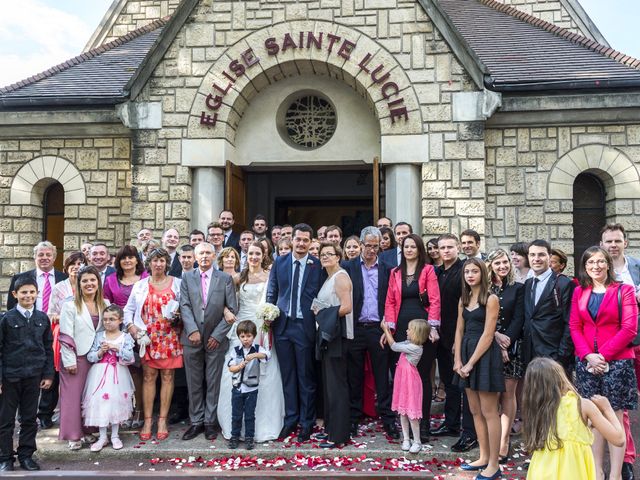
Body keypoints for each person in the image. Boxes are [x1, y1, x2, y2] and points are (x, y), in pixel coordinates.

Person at [569, 246, 638, 480]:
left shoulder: (624, 291)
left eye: (600, 262)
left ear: (608, 264)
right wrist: (588, 355)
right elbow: (574, 327)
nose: (595, 266)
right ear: (585, 267)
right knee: (592, 420)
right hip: (587, 364)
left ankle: (616, 474)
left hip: (617, 364)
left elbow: (629, 329)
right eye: (590, 263)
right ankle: (597, 471)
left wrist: (603, 356)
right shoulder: (580, 292)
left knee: (615, 418)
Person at [219, 241, 284, 442]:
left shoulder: (270, 276)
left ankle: (263, 424)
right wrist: (227, 311)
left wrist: (270, 317)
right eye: (250, 253)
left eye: (258, 253)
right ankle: (236, 425)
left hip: (262, 329)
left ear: (264, 255)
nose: (254, 256)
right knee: (237, 371)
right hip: (242, 328)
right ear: (246, 255)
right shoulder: (239, 277)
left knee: (264, 373)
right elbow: (222, 299)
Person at [523, 357, 625, 480]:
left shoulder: (536, 409)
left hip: (541, 471)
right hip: (573, 471)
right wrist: (607, 409)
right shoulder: (582, 405)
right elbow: (619, 440)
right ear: (561, 378)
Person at [266, 223, 322, 443]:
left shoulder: (316, 265)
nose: (301, 243)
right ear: (292, 240)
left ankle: (307, 423)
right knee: (288, 376)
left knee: (305, 377)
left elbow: (321, 295)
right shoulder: (279, 262)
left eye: (305, 240)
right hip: (282, 327)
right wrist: (268, 312)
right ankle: (290, 420)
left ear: (310, 242)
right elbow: (272, 290)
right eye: (298, 239)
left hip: (304, 327)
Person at [179, 242, 238, 441]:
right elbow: (184, 305)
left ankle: (209, 422)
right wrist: (192, 330)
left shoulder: (225, 278)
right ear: (195, 257)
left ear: (214, 256)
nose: (204, 256)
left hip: (216, 339)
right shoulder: (187, 277)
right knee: (193, 381)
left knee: (213, 382)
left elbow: (232, 309)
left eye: (208, 253)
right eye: (201, 253)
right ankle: (196, 421)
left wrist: (217, 335)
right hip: (192, 338)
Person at [344, 227, 398, 439]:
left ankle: (388, 420)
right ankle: (353, 419)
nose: (372, 250)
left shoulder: (388, 268)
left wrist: (389, 326)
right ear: (361, 245)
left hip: (379, 329)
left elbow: (393, 299)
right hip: (356, 328)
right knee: (354, 376)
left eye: (376, 246)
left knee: (382, 377)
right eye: (368, 246)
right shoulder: (347, 267)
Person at [385, 233, 440, 440]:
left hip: (422, 329)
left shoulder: (428, 270)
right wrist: (389, 329)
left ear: (419, 250)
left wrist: (433, 327)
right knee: (403, 377)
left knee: (423, 377)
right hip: (401, 328)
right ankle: (407, 424)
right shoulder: (395, 272)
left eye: (413, 247)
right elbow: (390, 301)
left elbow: (435, 300)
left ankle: (423, 423)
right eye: (406, 246)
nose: (409, 250)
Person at [123, 248, 182, 442]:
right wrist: (133, 330)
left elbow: (185, 309)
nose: (158, 264)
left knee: (167, 376)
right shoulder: (140, 285)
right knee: (148, 377)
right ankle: (148, 421)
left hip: (169, 336)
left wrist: (178, 317)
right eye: (155, 260)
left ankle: (162, 420)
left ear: (167, 263)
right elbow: (128, 311)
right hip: (147, 337)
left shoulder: (177, 284)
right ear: (149, 263)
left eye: (162, 261)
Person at [454, 258, 504, 480]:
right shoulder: (463, 299)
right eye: (467, 272)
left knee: (489, 411)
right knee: (474, 410)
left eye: (475, 271)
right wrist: (457, 360)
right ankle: (483, 457)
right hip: (465, 354)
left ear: (483, 274)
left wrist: (471, 363)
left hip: (484, 357)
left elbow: (488, 334)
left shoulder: (491, 299)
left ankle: (494, 464)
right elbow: (459, 331)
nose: (470, 275)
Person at [0, 276, 54, 472]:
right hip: (10, 377)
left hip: (34, 376)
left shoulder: (42, 318)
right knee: (6, 420)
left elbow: (48, 348)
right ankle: (5, 457)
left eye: (32, 292)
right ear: (15, 295)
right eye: (24, 292)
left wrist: (48, 375)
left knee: (29, 419)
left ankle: (26, 455)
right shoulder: (6, 319)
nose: (28, 295)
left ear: (37, 293)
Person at [600, 223, 640, 479]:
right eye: (609, 241)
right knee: (620, 406)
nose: (613, 245)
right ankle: (626, 458)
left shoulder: (637, 267)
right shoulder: (597, 269)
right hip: (616, 346)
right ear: (602, 244)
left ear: (625, 242)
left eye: (617, 241)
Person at [431, 234, 477, 454]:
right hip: (440, 335)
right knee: (449, 384)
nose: (446, 251)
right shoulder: (437, 272)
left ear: (458, 247)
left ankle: (470, 432)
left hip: (461, 337)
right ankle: (450, 424)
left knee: (464, 386)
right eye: (442, 247)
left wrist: (459, 341)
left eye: (450, 247)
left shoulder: (464, 271)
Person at [59, 266, 109, 450]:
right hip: (76, 357)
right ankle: (73, 435)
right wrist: (69, 360)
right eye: (85, 281)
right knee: (72, 397)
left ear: (98, 282)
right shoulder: (70, 305)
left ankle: (88, 430)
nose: (89, 284)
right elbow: (65, 335)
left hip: (96, 357)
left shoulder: (105, 303)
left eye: (92, 280)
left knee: (91, 396)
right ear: (79, 284)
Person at [102, 245, 147, 429]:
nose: (127, 261)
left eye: (131, 257)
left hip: (141, 329)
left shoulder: (145, 278)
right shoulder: (111, 279)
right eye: (123, 258)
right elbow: (105, 303)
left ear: (137, 260)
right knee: (121, 372)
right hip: (117, 330)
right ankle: (124, 410)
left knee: (141, 372)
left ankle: (141, 410)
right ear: (118, 261)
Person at [486, 249, 525, 462]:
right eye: (497, 263)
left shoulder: (518, 288)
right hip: (489, 346)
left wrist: (506, 342)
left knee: (508, 395)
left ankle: (504, 442)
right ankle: (491, 438)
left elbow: (519, 318)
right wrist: (496, 338)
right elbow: (481, 318)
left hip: (512, 349)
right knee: (493, 396)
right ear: (490, 265)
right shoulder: (484, 289)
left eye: (505, 262)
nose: (502, 266)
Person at [314, 242, 353, 448]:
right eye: (322, 254)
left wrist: (322, 314)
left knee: (337, 386)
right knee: (329, 386)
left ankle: (339, 435)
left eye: (330, 254)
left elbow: (346, 307)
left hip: (339, 336)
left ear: (338, 256)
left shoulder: (341, 277)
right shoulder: (329, 278)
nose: (325, 257)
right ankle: (330, 429)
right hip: (329, 335)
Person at [82, 305, 135, 452]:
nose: (108, 322)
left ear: (120, 320)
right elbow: (90, 356)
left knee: (116, 402)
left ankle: (115, 435)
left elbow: (130, 358)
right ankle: (102, 436)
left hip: (118, 374)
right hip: (99, 374)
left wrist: (118, 349)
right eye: (105, 319)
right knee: (101, 403)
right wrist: (100, 352)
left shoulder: (125, 337)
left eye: (112, 319)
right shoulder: (99, 336)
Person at [522, 239, 576, 375]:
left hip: (554, 358)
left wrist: (561, 357)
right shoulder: (528, 284)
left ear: (549, 256)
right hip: (530, 357)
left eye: (541, 255)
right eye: (532, 255)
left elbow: (570, 322)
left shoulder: (564, 283)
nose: (536, 259)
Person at [381, 318, 429, 454]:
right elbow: (396, 344)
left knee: (412, 415)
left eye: (409, 329)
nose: (406, 331)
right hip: (403, 382)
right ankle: (406, 439)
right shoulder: (409, 343)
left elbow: (394, 346)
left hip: (411, 383)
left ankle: (417, 441)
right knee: (403, 412)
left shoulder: (415, 348)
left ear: (416, 333)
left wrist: (385, 329)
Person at [226, 320, 270, 450]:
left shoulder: (257, 349)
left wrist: (255, 355)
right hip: (237, 388)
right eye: (243, 336)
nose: (245, 339)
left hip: (252, 388)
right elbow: (230, 367)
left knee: (250, 415)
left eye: (249, 336)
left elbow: (267, 355)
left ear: (254, 336)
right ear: (239, 337)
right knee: (236, 414)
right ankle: (235, 436)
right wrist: (239, 366)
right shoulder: (235, 351)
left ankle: (249, 438)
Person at [6, 241, 67, 311]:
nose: (44, 257)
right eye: (40, 255)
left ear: (54, 258)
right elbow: (11, 306)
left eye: (48, 255)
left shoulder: (65, 279)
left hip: (57, 321)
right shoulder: (19, 278)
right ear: (35, 257)